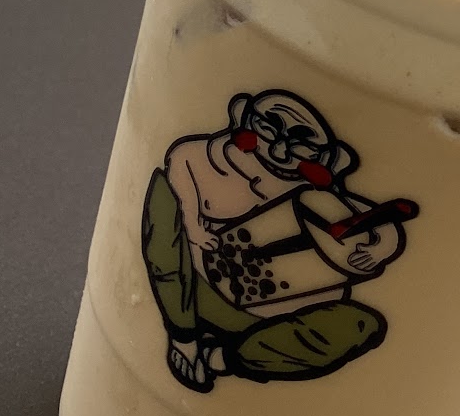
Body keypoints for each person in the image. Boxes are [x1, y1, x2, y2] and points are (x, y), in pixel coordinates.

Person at [141, 88, 415, 394]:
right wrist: (192, 226)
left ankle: (223, 358)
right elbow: (180, 159)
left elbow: (377, 220)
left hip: (263, 321)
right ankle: (184, 336)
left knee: (361, 323)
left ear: (325, 159)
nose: (280, 151)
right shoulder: (206, 157)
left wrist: (381, 249)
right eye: (269, 129)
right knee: (163, 201)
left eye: (301, 146)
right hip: (196, 286)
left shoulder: (311, 192)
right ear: (243, 119)